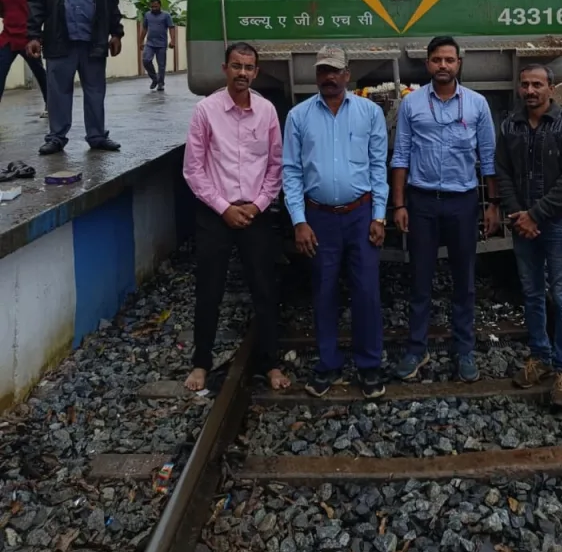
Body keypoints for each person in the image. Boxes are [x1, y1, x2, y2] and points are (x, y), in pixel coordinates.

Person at [390, 36, 499, 384]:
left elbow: (489, 158)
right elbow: (401, 154)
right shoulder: (412, 105)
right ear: (427, 64)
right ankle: (416, 348)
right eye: (437, 60)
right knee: (420, 279)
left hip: (462, 202)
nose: (443, 66)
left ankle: (464, 349)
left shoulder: (477, 105)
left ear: (458, 64)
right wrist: (400, 203)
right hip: (422, 202)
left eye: (449, 60)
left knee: (463, 280)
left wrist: (492, 203)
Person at [282, 46, 389, 400]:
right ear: (316, 76)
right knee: (324, 292)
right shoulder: (298, 116)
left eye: (335, 71)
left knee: (366, 292)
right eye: (322, 71)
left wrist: (379, 215)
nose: (328, 77)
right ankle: (328, 363)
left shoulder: (369, 112)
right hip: (319, 218)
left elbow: (379, 167)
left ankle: (369, 365)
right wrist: (299, 221)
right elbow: (292, 171)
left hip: (361, 215)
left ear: (347, 74)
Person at [182, 42, 289, 393]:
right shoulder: (205, 111)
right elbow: (193, 170)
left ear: (257, 72)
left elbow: (276, 166)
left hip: (255, 212)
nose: (243, 73)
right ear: (225, 68)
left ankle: (272, 363)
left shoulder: (267, 111)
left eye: (249, 67)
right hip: (216, 213)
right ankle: (201, 363)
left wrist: (257, 205)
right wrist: (224, 208)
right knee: (209, 289)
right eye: (236, 66)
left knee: (264, 288)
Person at [495, 64, 562, 410]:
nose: (530, 91)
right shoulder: (510, 127)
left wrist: (534, 215)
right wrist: (519, 213)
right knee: (532, 293)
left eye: (537, 84)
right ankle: (540, 358)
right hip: (524, 223)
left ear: (552, 88)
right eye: (525, 85)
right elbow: (503, 172)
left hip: (558, 224)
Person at [27, 0, 123, 154]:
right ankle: (56, 138)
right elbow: (35, 3)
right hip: (59, 41)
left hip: (94, 41)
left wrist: (116, 32)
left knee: (95, 91)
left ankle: (97, 136)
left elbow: (111, 2)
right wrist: (33, 36)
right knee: (58, 92)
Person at [0, 0, 47, 111]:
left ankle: (51, 105)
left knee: (39, 73)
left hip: (28, 39)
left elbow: (39, 11)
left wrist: (37, 37)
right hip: (7, 38)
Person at [140, 0, 176, 91]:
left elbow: (171, 27)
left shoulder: (166, 15)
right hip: (150, 43)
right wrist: (140, 41)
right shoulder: (147, 15)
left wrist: (173, 40)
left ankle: (160, 83)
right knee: (146, 60)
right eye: (152, 7)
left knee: (161, 65)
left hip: (161, 44)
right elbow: (144, 28)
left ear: (160, 5)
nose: (154, 8)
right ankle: (154, 79)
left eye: (156, 6)